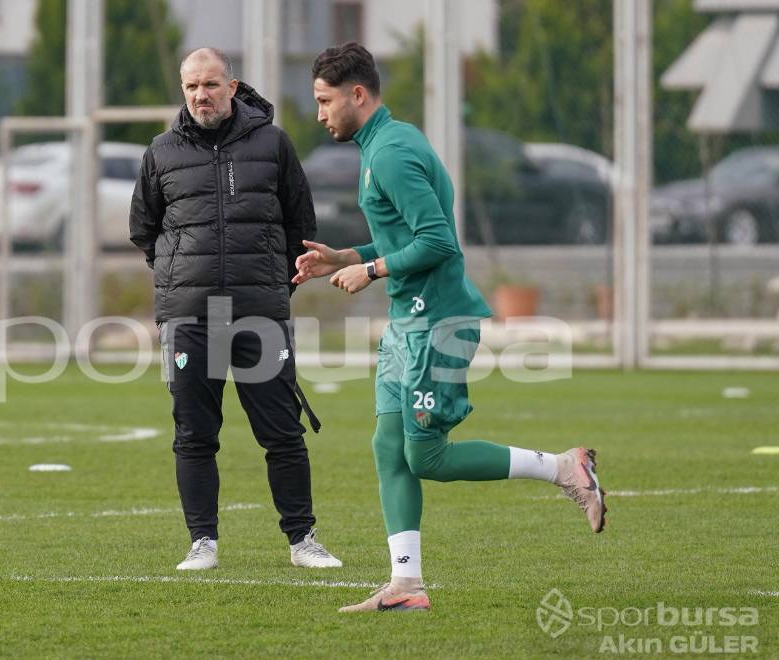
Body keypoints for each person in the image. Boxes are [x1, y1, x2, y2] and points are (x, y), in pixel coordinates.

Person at [293, 43, 607, 612]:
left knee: (427, 458)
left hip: (437, 322)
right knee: (388, 449)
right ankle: (406, 585)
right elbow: (404, 236)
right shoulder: (387, 142)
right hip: (407, 322)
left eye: (324, 101)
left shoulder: (388, 153)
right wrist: (345, 257)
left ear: (357, 95)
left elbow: (437, 241)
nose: (319, 114)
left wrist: (372, 269)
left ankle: (565, 468)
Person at [130, 47, 341, 571]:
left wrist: (271, 283)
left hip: (258, 313)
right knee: (194, 434)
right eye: (191, 87)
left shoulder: (273, 143)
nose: (201, 95)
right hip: (189, 318)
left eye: (210, 84)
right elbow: (144, 230)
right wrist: (182, 280)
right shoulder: (160, 151)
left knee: (282, 433)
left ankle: (302, 541)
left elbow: (300, 222)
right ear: (183, 91)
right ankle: (202, 542)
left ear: (232, 85)